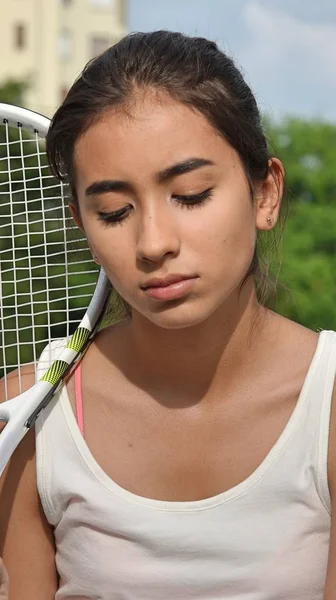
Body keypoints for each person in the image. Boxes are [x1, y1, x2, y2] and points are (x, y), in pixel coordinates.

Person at [0, 30, 335, 600]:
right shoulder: (28, 415)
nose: (153, 242)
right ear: (81, 224)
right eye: (113, 211)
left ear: (265, 194)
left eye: (192, 194)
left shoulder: (327, 406)